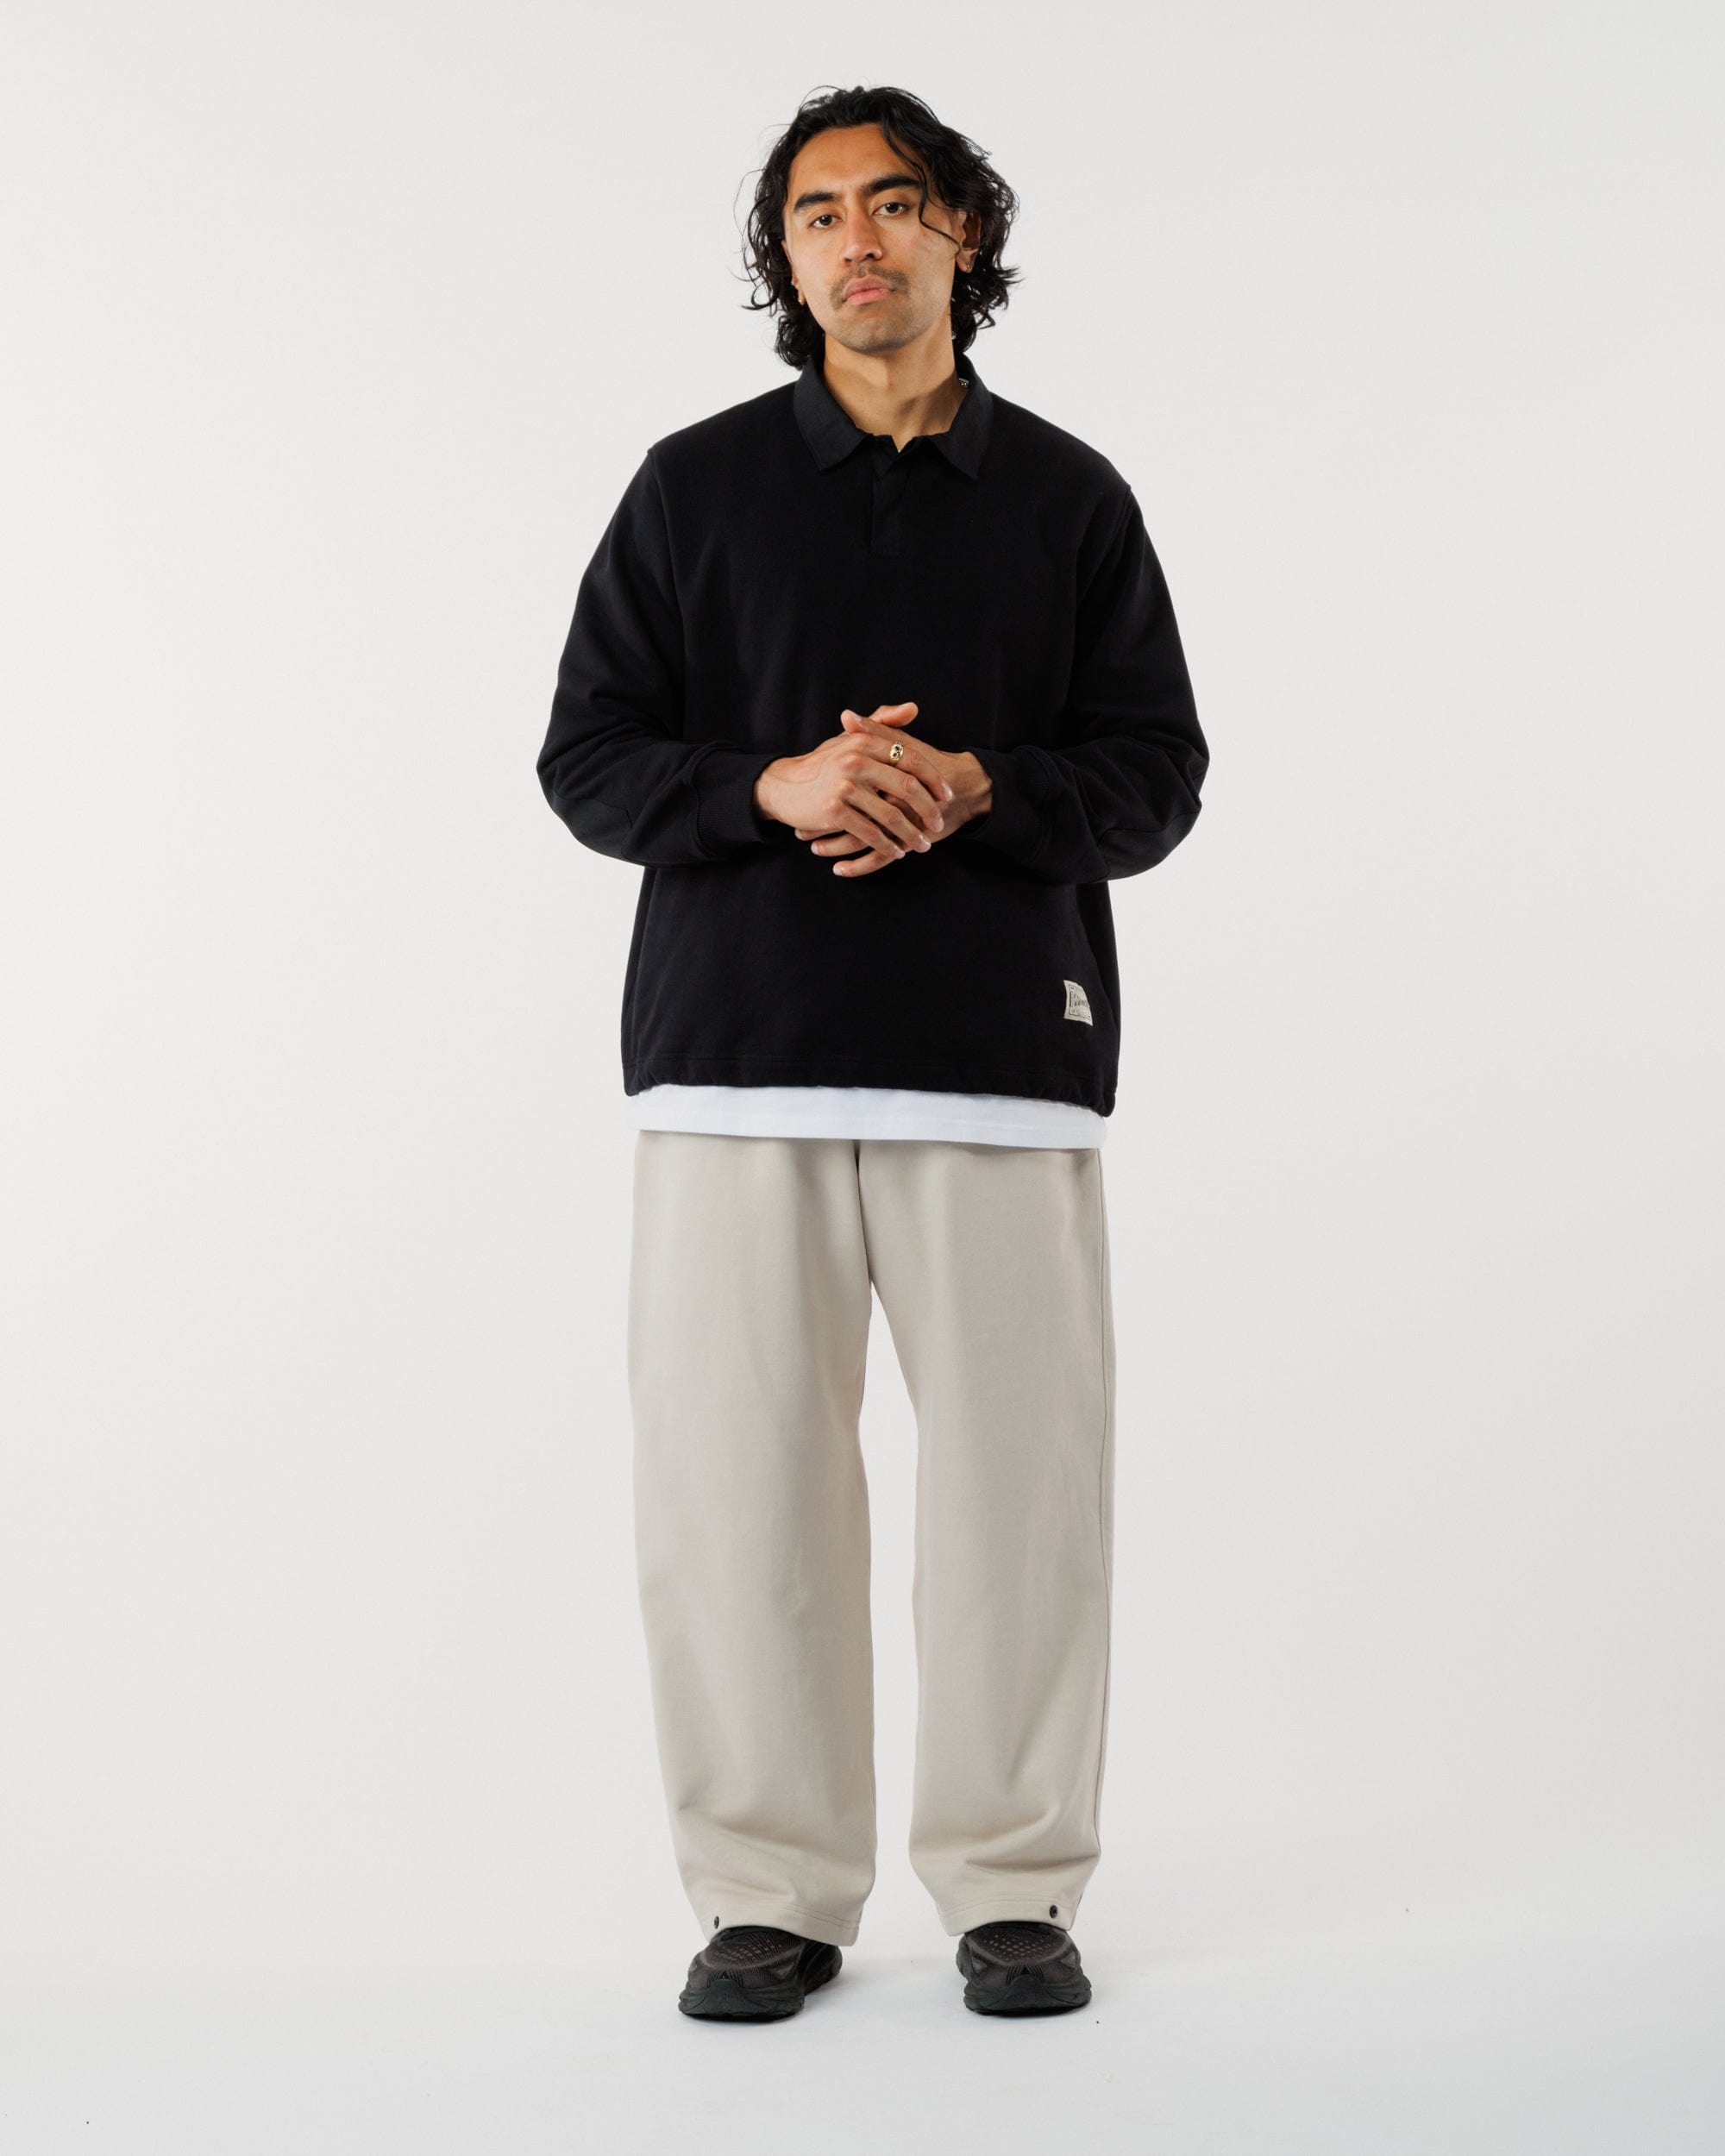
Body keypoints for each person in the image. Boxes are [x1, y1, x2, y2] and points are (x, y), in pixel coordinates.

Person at [536, 82, 1208, 2021]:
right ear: (787, 257)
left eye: (897, 202)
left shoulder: (1069, 498)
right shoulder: (693, 488)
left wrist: (976, 784)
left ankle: (1014, 1884)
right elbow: (587, 757)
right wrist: (781, 782)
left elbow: (1157, 775)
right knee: (732, 1493)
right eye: (819, 211)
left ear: (960, 236)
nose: (859, 238)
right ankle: (770, 1892)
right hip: (733, 1056)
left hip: (998, 1060)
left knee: (1021, 1501)